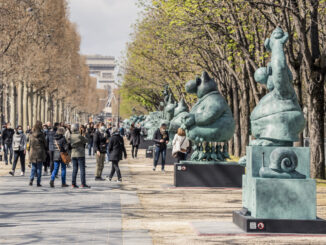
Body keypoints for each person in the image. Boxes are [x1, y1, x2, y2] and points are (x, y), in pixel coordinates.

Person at [70, 124, 90, 188]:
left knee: (74, 169)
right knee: (82, 169)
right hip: (80, 153)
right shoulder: (79, 136)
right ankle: (83, 184)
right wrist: (83, 135)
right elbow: (86, 141)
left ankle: (73, 183)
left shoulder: (70, 136)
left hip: (73, 154)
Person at [28, 121, 47, 187]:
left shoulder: (31, 134)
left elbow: (29, 144)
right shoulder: (42, 134)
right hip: (40, 152)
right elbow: (45, 144)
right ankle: (38, 182)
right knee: (39, 168)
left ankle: (31, 179)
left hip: (33, 152)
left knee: (33, 167)